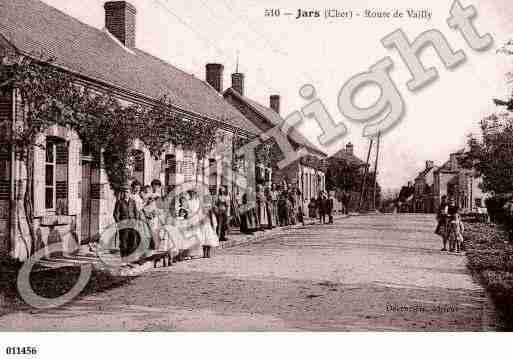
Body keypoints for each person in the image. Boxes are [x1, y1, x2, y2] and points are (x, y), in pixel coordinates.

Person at [113, 184, 139, 259]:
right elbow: (115, 214)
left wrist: (136, 221)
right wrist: (119, 223)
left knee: (132, 240)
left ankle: (130, 257)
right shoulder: (119, 202)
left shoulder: (133, 202)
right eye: (124, 192)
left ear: (130, 193)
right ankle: (124, 257)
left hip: (132, 223)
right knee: (124, 241)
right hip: (123, 224)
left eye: (127, 192)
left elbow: (135, 212)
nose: (125, 194)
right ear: (122, 193)